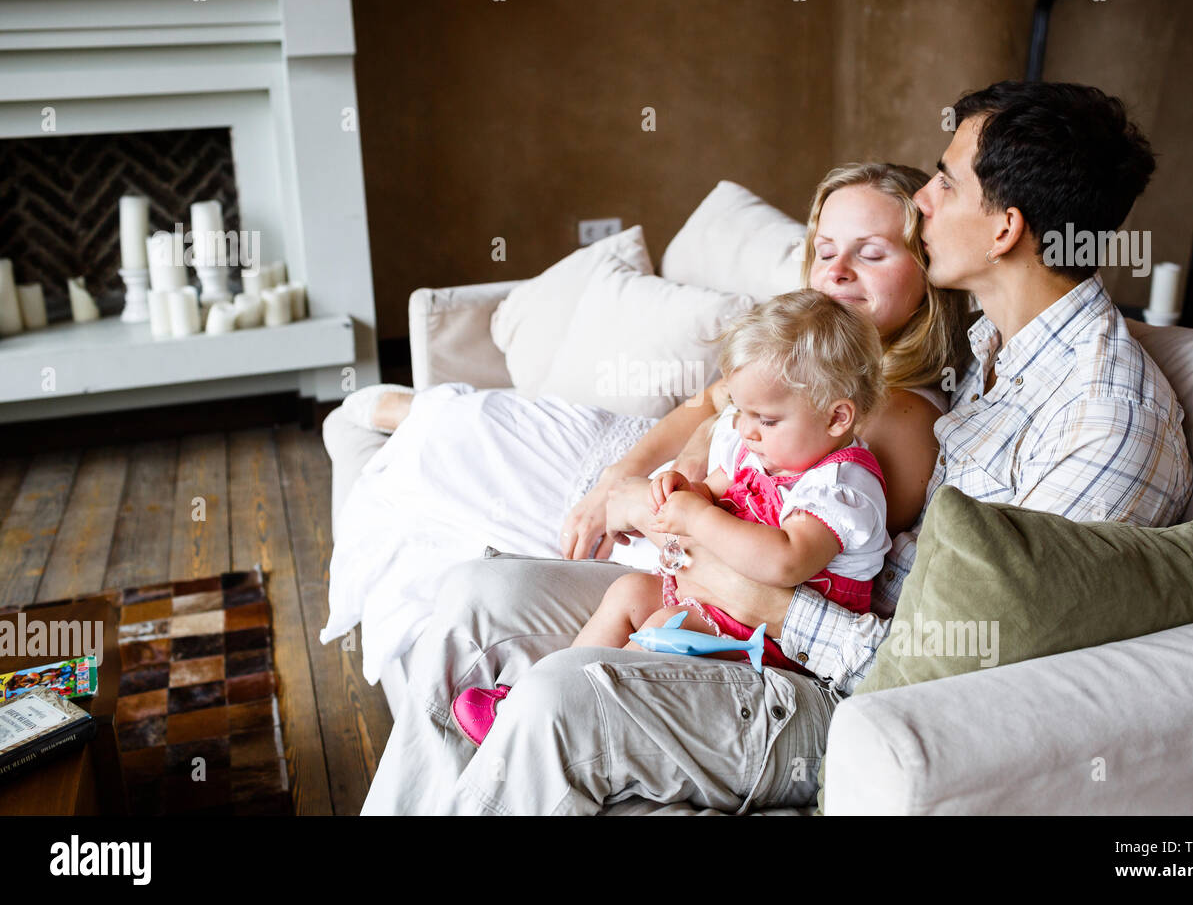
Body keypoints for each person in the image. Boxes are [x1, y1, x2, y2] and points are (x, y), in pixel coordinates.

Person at [394, 79, 1193, 816]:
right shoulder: (995, 348)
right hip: (773, 617)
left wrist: (766, 598)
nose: (922, 197)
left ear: (1006, 226)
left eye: (946, 182)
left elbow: (974, 677)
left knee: (565, 696)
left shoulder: (1102, 420)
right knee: (476, 598)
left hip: (848, 702)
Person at [356, 161, 969, 813]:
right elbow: (706, 410)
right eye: (825, 251)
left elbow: (788, 565)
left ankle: (409, 414)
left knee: (565, 674)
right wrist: (631, 480)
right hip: (681, 540)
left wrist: (681, 507)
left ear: (927, 270)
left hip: (755, 627)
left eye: (870, 254)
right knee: (475, 591)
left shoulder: (890, 422)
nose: (838, 271)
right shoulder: (795, 358)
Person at [450, 291, 896, 744]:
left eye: (765, 418)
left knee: (661, 627)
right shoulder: (771, 452)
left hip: (776, 649)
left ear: (837, 417)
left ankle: (570, 711)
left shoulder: (842, 486)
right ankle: (532, 695)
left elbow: (785, 561)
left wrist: (700, 519)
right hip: (721, 609)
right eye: (740, 412)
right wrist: (688, 490)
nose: (744, 430)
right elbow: (723, 485)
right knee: (628, 592)